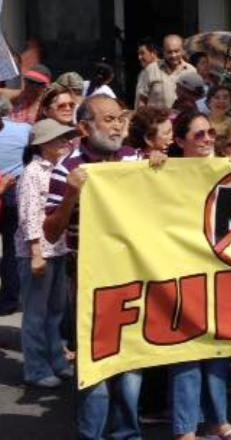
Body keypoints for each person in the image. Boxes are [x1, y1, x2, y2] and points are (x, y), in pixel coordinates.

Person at [43, 95, 144, 439]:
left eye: (120, 119)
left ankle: (127, 433)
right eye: (109, 120)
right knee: (97, 365)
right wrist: (71, 196)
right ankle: (93, 435)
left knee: (131, 364)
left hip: (133, 276)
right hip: (90, 281)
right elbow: (51, 232)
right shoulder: (68, 168)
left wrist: (160, 166)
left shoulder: (134, 158)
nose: (117, 126)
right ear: (85, 127)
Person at [170, 111, 231, 440]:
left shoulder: (227, 166)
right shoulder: (164, 172)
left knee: (217, 350)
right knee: (187, 352)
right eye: (198, 135)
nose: (207, 140)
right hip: (180, 270)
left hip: (219, 271)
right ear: (179, 141)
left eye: (210, 134)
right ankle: (185, 429)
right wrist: (150, 163)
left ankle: (218, 422)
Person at [16, 119, 76, 388]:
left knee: (55, 311)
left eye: (64, 137)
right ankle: (36, 369)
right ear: (42, 144)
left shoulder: (60, 169)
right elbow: (29, 215)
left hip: (58, 247)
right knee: (36, 314)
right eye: (57, 139)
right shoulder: (32, 172)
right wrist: (36, 252)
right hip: (38, 251)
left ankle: (56, 360)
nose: (64, 142)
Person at [0, 99, 31, 316]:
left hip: (7, 189)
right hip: (13, 190)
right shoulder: (25, 130)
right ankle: (11, 297)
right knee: (11, 247)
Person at [137, 34, 196, 108]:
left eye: (176, 51)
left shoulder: (191, 71)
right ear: (164, 52)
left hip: (182, 118)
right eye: (169, 52)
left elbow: (195, 100)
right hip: (156, 119)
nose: (173, 55)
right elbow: (142, 100)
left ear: (183, 50)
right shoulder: (151, 70)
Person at [135, 37, 160, 108]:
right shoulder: (143, 72)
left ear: (153, 53)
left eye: (142, 53)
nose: (139, 57)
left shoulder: (163, 70)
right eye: (138, 54)